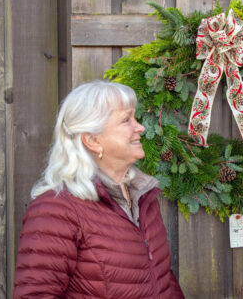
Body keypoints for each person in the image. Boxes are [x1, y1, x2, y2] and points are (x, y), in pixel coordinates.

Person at [13, 80, 184, 298]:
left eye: (135, 117)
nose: (140, 127)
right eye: (126, 120)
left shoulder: (142, 197)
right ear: (93, 140)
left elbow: (162, 278)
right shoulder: (56, 210)